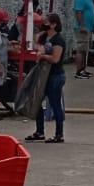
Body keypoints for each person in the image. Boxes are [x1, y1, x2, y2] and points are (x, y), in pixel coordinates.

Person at [25, 13, 68, 144]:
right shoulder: (44, 37)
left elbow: (55, 59)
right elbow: (35, 43)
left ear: (54, 24)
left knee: (55, 104)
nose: (44, 23)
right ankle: (39, 131)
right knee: (37, 101)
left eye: (47, 22)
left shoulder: (58, 40)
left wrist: (43, 56)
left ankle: (59, 134)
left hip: (55, 75)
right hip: (43, 75)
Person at [72, 0, 94, 77]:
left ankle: (83, 70)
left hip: (89, 29)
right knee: (81, 50)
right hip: (82, 29)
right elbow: (78, 13)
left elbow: (92, 13)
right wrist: (82, 26)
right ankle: (78, 72)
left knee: (85, 51)